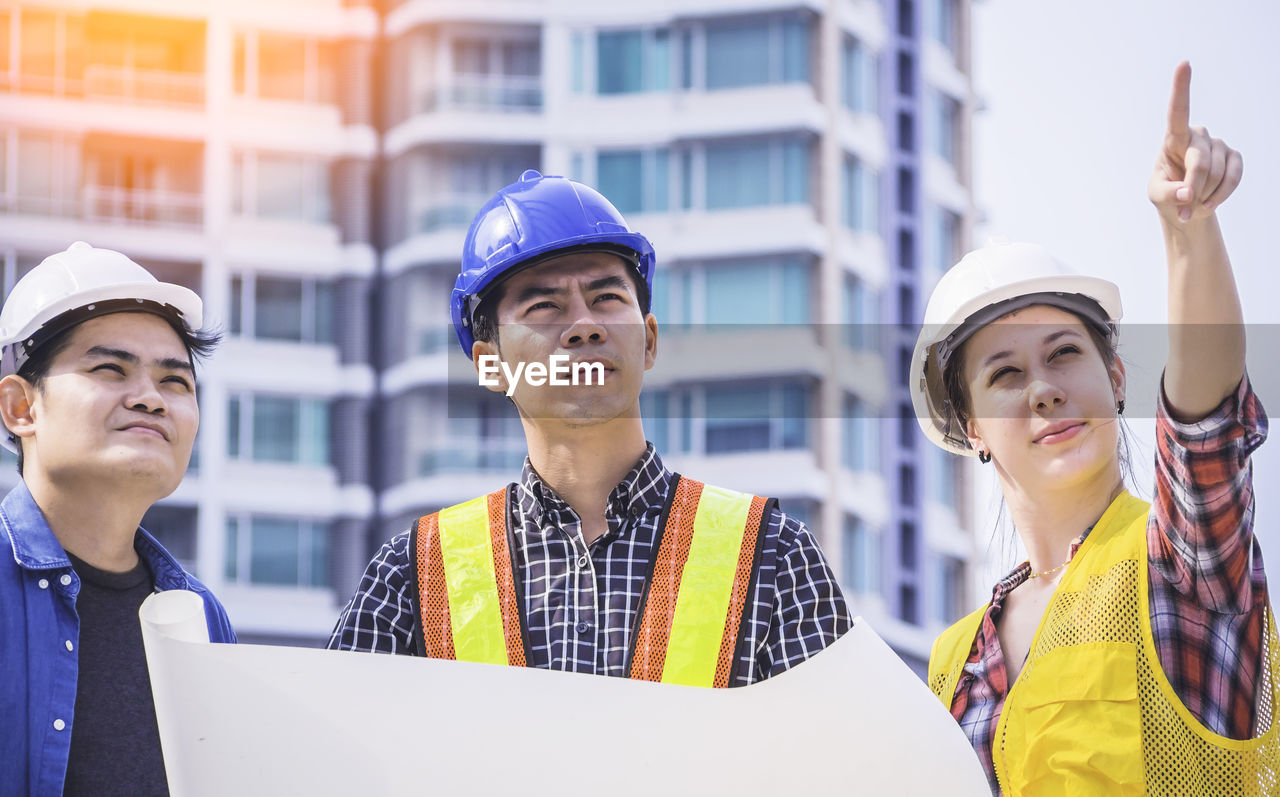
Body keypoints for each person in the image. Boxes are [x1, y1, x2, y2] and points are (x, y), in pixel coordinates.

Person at [329, 170, 850, 686]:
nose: (585, 325)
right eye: (544, 306)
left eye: (607, 299)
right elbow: (326, 754)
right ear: (491, 366)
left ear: (648, 341)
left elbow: (850, 759)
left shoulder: (772, 556)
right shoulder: (416, 578)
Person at [913, 62, 1278, 795]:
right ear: (972, 426)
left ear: (1115, 379)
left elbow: (1205, 422)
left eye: (1064, 354)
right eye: (1006, 376)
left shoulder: (1185, 560)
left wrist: (1189, 232)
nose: (1044, 390)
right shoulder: (951, 664)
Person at [0, 242, 235, 797]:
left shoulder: (202, 618)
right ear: (20, 408)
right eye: (111, 369)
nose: (151, 399)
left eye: (175, 382)